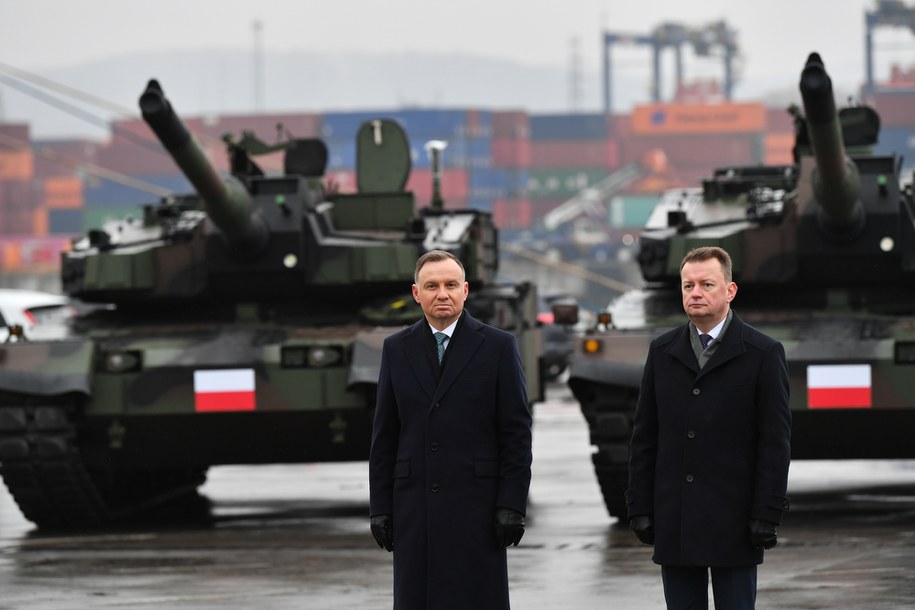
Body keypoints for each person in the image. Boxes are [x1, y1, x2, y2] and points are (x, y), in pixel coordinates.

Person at [626, 246, 791, 610]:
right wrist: (639, 506)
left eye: (706, 284)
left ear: (730, 291)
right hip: (676, 519)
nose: (695, 293)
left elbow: (774, 442)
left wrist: (767, 513)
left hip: (735, 520)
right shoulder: (662, 351)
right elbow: (645, 437)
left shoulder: (762, 353)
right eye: (688, 286)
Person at [369, 249, 533, 610]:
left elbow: (516, 434)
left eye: (450, 284)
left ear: (465, 290)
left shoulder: (498, 346)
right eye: (432, 285)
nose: (441, 293)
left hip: (478, 510)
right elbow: (385, 435)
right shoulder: (396, 349)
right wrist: (380, 506)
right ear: (416, 293)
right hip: (415, 511)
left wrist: (512, 504)